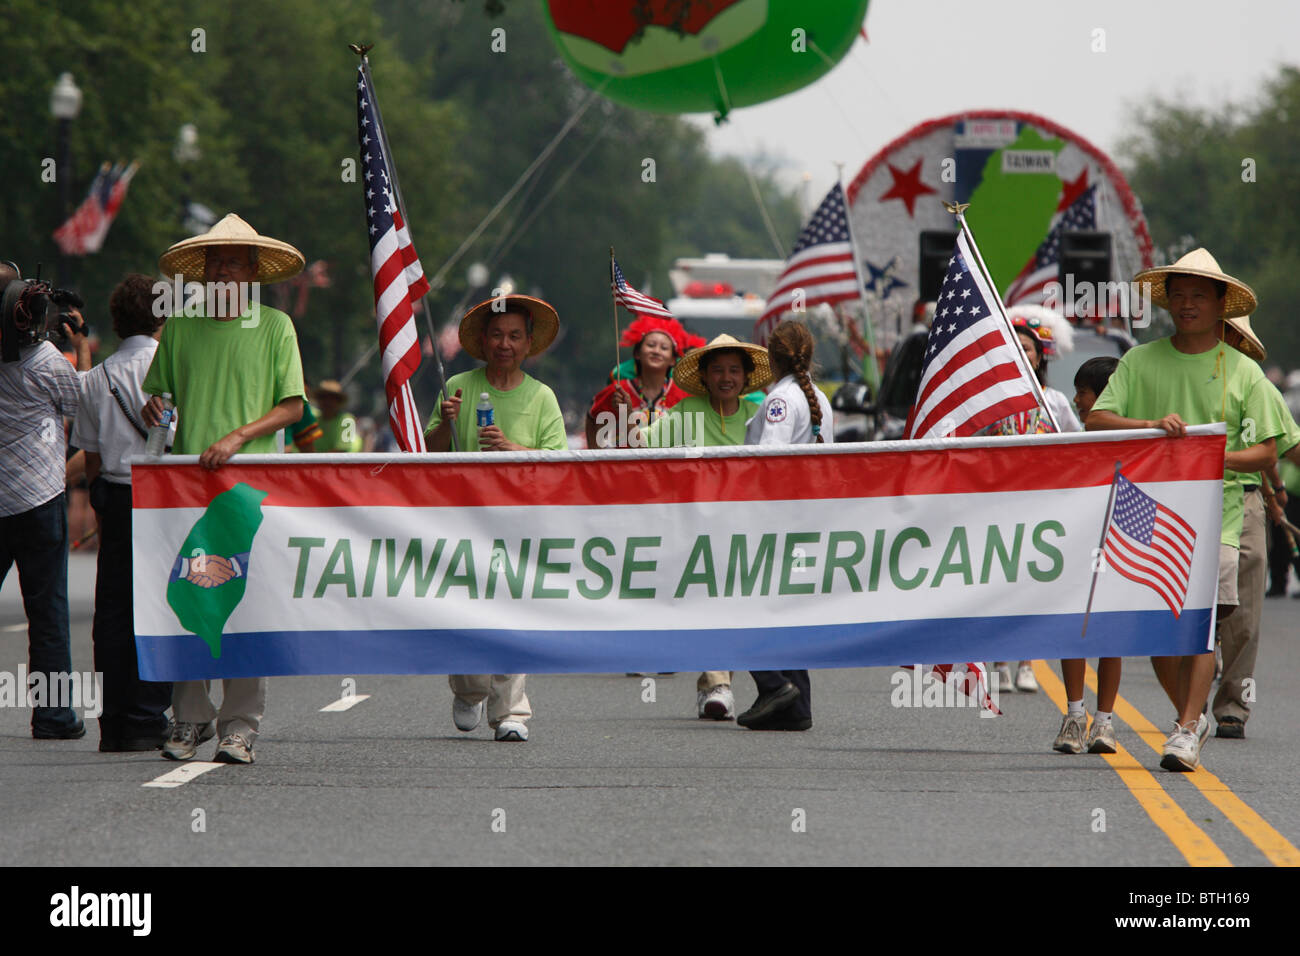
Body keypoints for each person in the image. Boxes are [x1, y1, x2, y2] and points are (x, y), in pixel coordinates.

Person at [1087, 248, 1283, 772]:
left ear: (1222, 304)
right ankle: (1189, 718)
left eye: (1200, 294)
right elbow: (1099, 419)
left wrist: (1210, 456)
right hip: (1146, 512)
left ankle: (1183, 729)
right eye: (1179, 294)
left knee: (1200, 626)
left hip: (1219, 513)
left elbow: (1269, 450)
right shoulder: (1138, 360)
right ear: (1166, 300)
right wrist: (1153, 430)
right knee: (1161, 631)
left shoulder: (1244, 371)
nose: (1188, 303)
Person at [142, 213, 308, 764]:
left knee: (245, 606)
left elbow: (292, 406)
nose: (222, 271)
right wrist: (157, 405)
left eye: (234, 261)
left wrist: (240, 435)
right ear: (202, 270)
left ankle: (241, 724)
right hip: (188, 487)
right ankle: (189, 719)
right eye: (214, 261)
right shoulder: (182, 327)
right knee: (188, 599)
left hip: (251, 491)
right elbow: (159, 397)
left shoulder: (275, 326)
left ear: (254, 270)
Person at [425, 294, 566, 742]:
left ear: (528, 344)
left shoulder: (542, 396)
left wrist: (513, 450)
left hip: (520, 522)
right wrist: (445, 423)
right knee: (466, 608)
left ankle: (511, 712)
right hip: (464, 519)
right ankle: (468, 690)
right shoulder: (459, 387)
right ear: (482, 342)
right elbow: (427, 452)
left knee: (514, 612)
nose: (505, 344)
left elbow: (560, 461)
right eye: (497, 336)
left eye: (515, 337)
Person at [643, 333, 772, 719]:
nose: (727, 377)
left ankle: (714, 684)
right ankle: (718, 684)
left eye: (734, 370)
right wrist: (622, 420)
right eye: (718, 370)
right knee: (714, 602)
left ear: (747, 377)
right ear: (705, 376)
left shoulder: (761, 411)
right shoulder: (686, 412)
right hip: (696, 531)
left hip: (748, 529)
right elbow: (644, 449)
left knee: (738, 607)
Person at [71, 274, 174, 751]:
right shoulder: (174, 370)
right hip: (162, 496)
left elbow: (88, 455)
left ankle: (114, 722)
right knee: (159, 606)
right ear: (162, 317)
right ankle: (150, 715)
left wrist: (99, 499)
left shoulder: (95, 379)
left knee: (112, 610)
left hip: (113, 493)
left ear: (116, 320)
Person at [0, 263, 93, 739]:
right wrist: (79, 344)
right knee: (47, 612)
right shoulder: (46, 362)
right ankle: (54, 716)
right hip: (39, 498)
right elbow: (87, 409)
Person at [736, 321, 832, 732]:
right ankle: (797, 704)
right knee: (789, 609)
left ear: (771, 357)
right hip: (807, 515)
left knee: (742, 603)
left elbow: (769, 462)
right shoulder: (820, 401)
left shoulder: (781, 399)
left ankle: (773, 682)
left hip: (775, 516)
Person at [1211, 314, 1298, 739]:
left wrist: (1275, 488)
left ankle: (1232, 707)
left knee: (1243, 614)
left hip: (1243, 502)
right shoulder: (1176, 370)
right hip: (1186, 500)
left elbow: (1285, 447)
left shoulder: (1256, 384)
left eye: (1234, 335)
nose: (1228, 341)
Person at [985, 312, 1081, 694]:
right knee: (1001, 580)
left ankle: (1027, 662)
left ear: (1040, 356)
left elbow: (1075, 443)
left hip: (1041, 503)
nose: (1021, 354)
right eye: (1014, 348)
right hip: (999, 501)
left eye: (1027, 348)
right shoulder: (991, 398)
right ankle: (1001, 662)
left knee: (1032, 580)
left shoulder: (1054, 401)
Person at [1053, 355, 1123, 754]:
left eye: (1082, 392)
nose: (1076, 400)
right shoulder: (1074, 439)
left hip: (1116, 549)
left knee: (1110, 633)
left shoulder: (1135, 439)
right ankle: (1075, 716)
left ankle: (1105, 722)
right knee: (1074, 630)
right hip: (1079, 545)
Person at [585, 315, 691, 449]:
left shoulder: (684, 395)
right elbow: (592, 414)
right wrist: (596, 459)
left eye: (664, 348)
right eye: (651, 345)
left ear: (672, 360)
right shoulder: (618, 391)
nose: (656, 351)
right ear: (637, 354)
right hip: (624, 468)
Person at [312, 379, 362, 452]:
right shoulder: (313, 420)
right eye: (323, 397)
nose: (327, 401)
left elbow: (340, 452)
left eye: (332, 398)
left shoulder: (348, 420)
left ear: (339, 401)